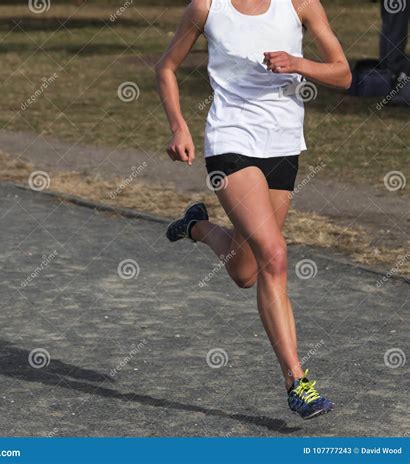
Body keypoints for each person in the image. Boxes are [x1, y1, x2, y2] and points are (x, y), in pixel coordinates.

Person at [155, 0, 352, 420]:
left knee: (246, 272)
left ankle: (198, 227)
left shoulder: (300, 4)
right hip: (230, 142)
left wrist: (299, 63)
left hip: (282, 145)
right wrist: (178, 126)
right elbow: (166, 67)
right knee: (275, 255)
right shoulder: (205, 8)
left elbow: (342, 72)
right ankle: (297, 382)